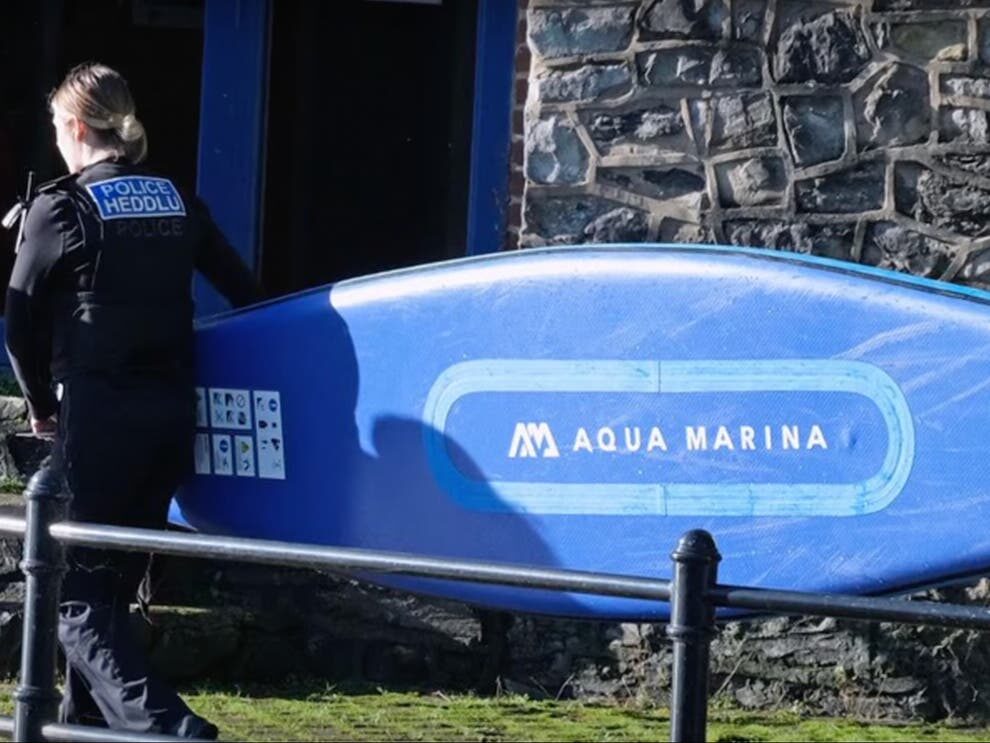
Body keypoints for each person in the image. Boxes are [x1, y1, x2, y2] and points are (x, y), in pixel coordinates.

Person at [4, 62, 261, 738]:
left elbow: (17, 320)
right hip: (172, 415)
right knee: (111, 594)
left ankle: (170, 727)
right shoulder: (177, 197)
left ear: (77, 127)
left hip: (101, 415)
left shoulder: (59, 206)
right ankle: (82, 729)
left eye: (58, 129)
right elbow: (246, 291)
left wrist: (36, 401)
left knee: (71, 598)